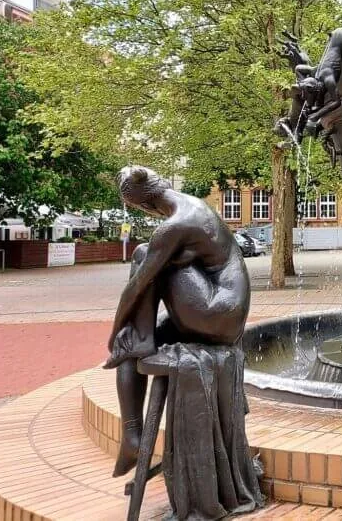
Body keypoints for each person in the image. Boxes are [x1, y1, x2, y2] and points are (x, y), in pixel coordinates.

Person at [105, 166, 251, 476]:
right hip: (221, 314)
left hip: (217, 313)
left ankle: (139, 338)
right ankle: (132, 436)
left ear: (143, 205)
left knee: (144, 256)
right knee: (130, 346)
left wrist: (115, 329)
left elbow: (136, 286)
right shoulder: (195, 205)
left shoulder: (174, 226)